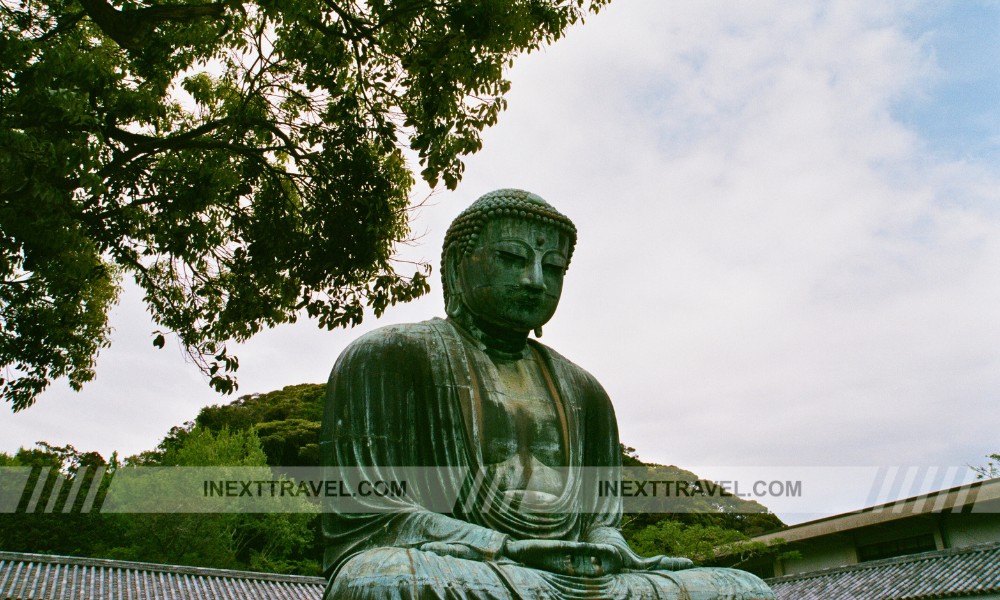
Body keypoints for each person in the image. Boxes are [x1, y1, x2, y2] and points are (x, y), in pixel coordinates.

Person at [321, 189, 774, 599]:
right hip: (471, 568)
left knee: (744, 590)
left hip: (579, 578)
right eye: (513, 258)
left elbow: (601, 521)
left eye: (553, 267)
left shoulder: (584, 390)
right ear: (460, 263)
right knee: (377, 581)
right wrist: (504, 546)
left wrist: (607, 550)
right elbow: (372, 511)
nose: (536, 280)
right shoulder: (389, 356)